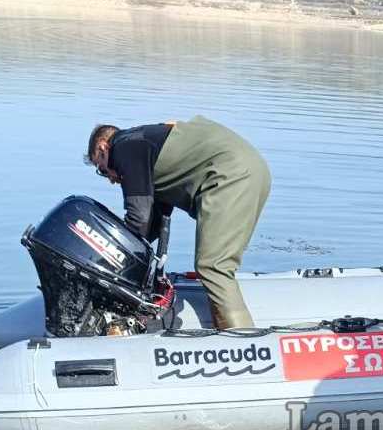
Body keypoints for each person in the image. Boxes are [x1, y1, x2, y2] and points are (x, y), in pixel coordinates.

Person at [85, 116, 271, 329]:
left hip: (231, 175)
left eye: (102, 169)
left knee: (213, 266)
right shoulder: (146, 145)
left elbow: (138, 218)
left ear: (103, 147)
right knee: (217, 263)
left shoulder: (124, 147)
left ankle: (241, 342)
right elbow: (148, 228)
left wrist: (109, 254)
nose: (110, 178)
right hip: (251, 169)